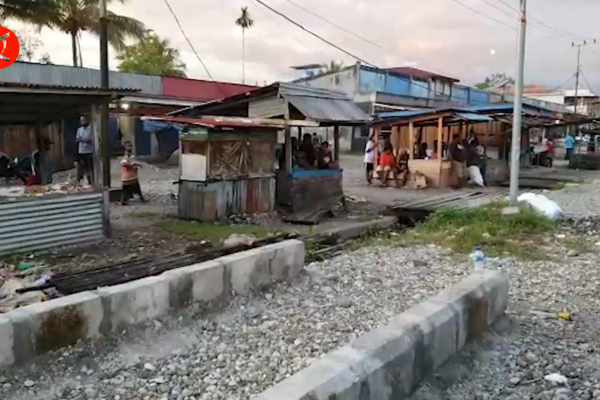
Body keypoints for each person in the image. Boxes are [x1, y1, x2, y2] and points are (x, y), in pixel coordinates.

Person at [75, 116, 94, 185]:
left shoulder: (91, 129)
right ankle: (79, 182)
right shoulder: (79, 130)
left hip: (89, 151)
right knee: (81, 167)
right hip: (81, 151)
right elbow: (77, 139)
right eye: (81, 120)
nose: (82, 122)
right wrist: (79, 140)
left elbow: (92, 139)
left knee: (89, 168)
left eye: (84, 120)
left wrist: (86, 140)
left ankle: (91, 182)